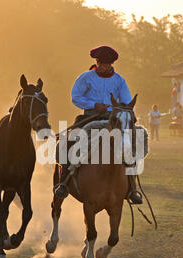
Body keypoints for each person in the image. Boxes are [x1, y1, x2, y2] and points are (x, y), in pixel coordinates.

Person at [54, 45, 142, 204]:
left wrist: (118, 110)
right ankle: (63, 183)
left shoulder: (119, 80)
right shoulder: (86, 77)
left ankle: (132, 188)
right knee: (67, 142)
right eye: (101, 64)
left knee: (131, 146)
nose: (103, 67)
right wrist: (94, 105)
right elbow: (76, 97)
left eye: (106, 64)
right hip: (89, 117)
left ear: (111, 64)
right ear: (97, 62)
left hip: (112, 119)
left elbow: (126, 101)